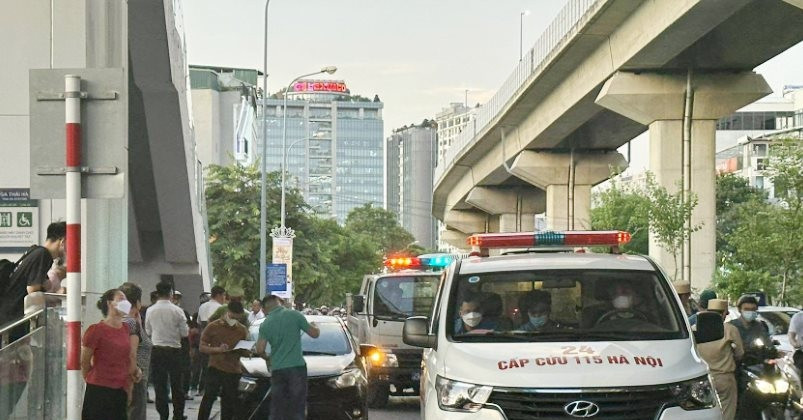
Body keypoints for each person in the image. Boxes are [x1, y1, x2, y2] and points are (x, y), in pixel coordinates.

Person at [256, 295, 320, 420]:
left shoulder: (265, 324)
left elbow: (259, 350)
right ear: (279, 303)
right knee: (297, 406)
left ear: (265, 308)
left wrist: (268, 358)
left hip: (277, 369)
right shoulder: (294, 315)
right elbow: (314, 334)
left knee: (277, 407)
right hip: (297, 367)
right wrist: (315, 326)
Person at [81, 289, 141, 420]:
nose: (125, 302)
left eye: (126, 300)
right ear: (109, 303)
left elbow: (127, 357)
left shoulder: (126, 328)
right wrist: (92, 379)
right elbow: (84, 362)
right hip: (99, 390)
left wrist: (133, 376)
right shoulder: (95, 330)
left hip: (120, 389)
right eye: (120, 299)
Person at [0, 221, 65, 335]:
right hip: (13, 318)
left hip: (7, 314)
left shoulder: (34, 250)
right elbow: (33, 290)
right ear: (63, 240)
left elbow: (42, 284)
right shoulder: (43, 254)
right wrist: (55, 297)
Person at [145, 282, 189, 420]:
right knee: (177, 386)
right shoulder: (177, 311)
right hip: (175, 351)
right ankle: (178, 415)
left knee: (160, 386)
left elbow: (148, 331)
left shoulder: (150, 310)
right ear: (171, 293)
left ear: (157, 293)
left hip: (157, 351)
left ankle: (163, 415)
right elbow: (185, 333)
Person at [197, 301, 248, 420]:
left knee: (228, 402)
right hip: (216, 367)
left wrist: (247, 350)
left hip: (233, 370)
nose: (234, 320)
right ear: (228, 312)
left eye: (238, 318)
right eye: (233, 317)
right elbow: (202, 347)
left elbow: (245, 349)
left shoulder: (242, 330)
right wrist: (218, 349)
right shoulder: (213, 326)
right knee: (208, 398)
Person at [696, 299, 743, 420]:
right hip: (724, 378)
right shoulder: (730, 329)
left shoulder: (694, 328)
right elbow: (740, 353)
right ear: (723, 314)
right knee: (727, 412)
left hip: (701, 379)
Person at [119, 282, 153, 420]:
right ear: (138, 302)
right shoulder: (130, 323)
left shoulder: (127, 321)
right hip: (135, 378)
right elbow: (130, 353)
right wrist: (135, 371)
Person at [171, 290, 193, 401]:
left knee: (186, 370)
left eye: (178, 298)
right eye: (174, 298)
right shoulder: (169, 312)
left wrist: (189, 347)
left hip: (183, 345)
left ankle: (184, 391)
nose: (176, 300)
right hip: (173, 345)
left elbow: (188, 331)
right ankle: (176, 393)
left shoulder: (183, 312)